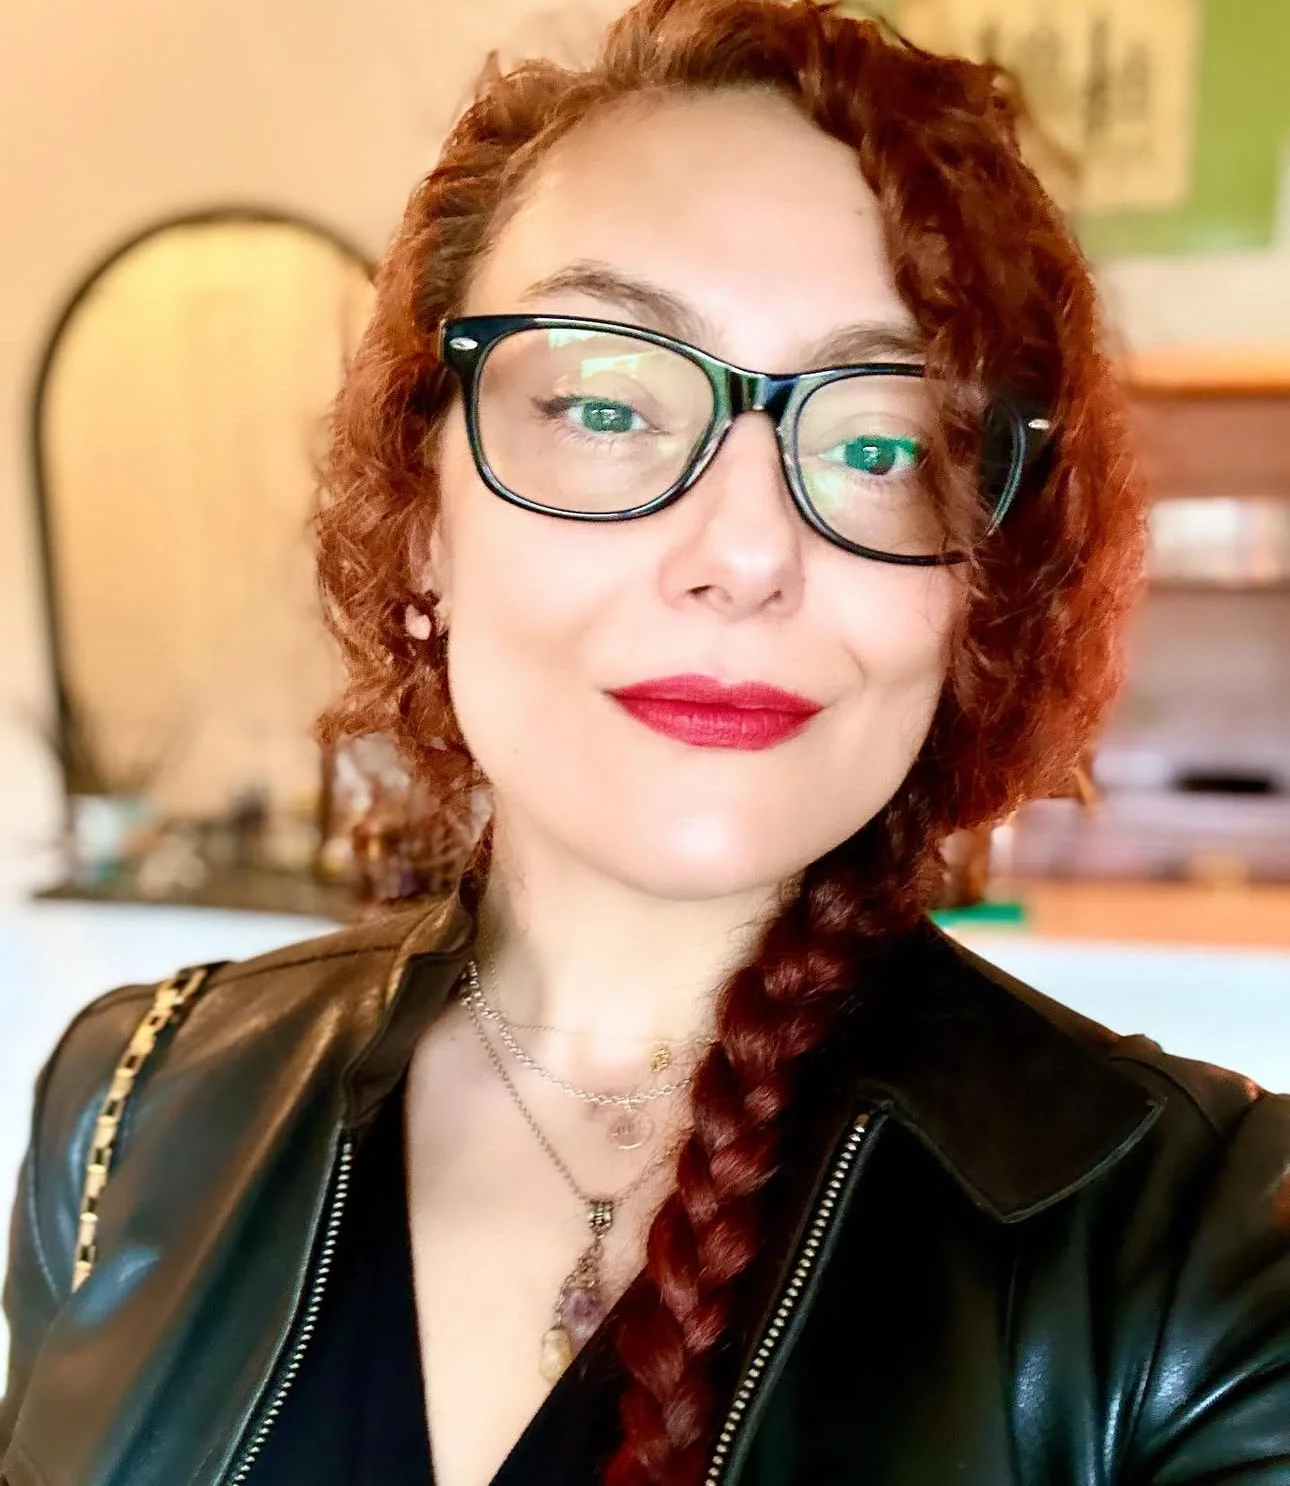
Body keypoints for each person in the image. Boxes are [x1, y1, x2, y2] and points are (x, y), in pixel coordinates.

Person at [4, 0, 1290, 1482]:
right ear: (424, 522)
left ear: (976, 594)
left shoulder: (1198, 1257)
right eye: (605, 406)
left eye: (881, 445)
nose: (745, 553)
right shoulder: (133, 1106)